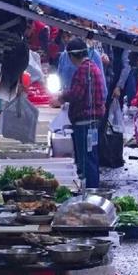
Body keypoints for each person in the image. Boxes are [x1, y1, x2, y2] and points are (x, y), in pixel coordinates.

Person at [59, 38, 107, 188]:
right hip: (92, 121)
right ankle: (93, 190)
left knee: (86, 161)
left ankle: (91, 193)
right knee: (91, 158)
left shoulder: (83, 70)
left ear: (73, 56)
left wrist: (61, 97)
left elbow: (76, 94)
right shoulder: (92, 66)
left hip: (84, 122)